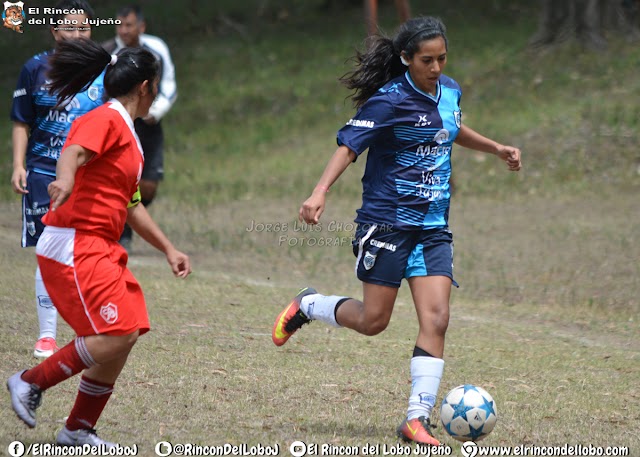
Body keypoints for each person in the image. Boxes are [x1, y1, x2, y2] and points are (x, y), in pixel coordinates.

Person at [272, 16, 521, 446]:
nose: (437, 67)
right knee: (374, 322)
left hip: (432, 227)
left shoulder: (451, 91)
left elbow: (450, 126)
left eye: (442, 58)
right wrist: (319, 192)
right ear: (406, 59)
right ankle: (309, 305)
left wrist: (495, 147)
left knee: (437, 319)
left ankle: (416, 418)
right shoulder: (388, 101)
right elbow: (349, 146)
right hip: (387, 221)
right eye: (427, 60)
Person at [6, 38, 191, 447]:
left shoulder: (130, 136)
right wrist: (67, 179)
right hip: (74, 242)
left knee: (128, 331)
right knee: (117, 332)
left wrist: (168, 249)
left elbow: (131, 206)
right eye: (156, 84)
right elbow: (71, 152)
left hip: (102, 246)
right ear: (146, 86)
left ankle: (77, 429)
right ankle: (28, 382)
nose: (157, 91)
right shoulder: (105, 117)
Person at [10, 0, 105, 359]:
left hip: (87, 176)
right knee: (48, 249)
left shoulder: (104, 72)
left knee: (87, 251)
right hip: (43, 174)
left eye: (84, 29)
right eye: (70, 28)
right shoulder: (34, 69)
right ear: (54, 32)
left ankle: (90, 327)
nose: (78, 35)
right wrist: (18, 165)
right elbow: (21, 120)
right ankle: (47, 336)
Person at [102, 5, 177, 252]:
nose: (123, 30)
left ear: (141, 27)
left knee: (148, 185)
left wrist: (154, 112)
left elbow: (168, 85)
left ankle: (127, 220)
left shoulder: (156, 49)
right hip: (115, 124)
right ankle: (120, 229)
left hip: (148, 123)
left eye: (129, 25)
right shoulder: (107, 52)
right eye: (119, 25)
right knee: (119, 178)